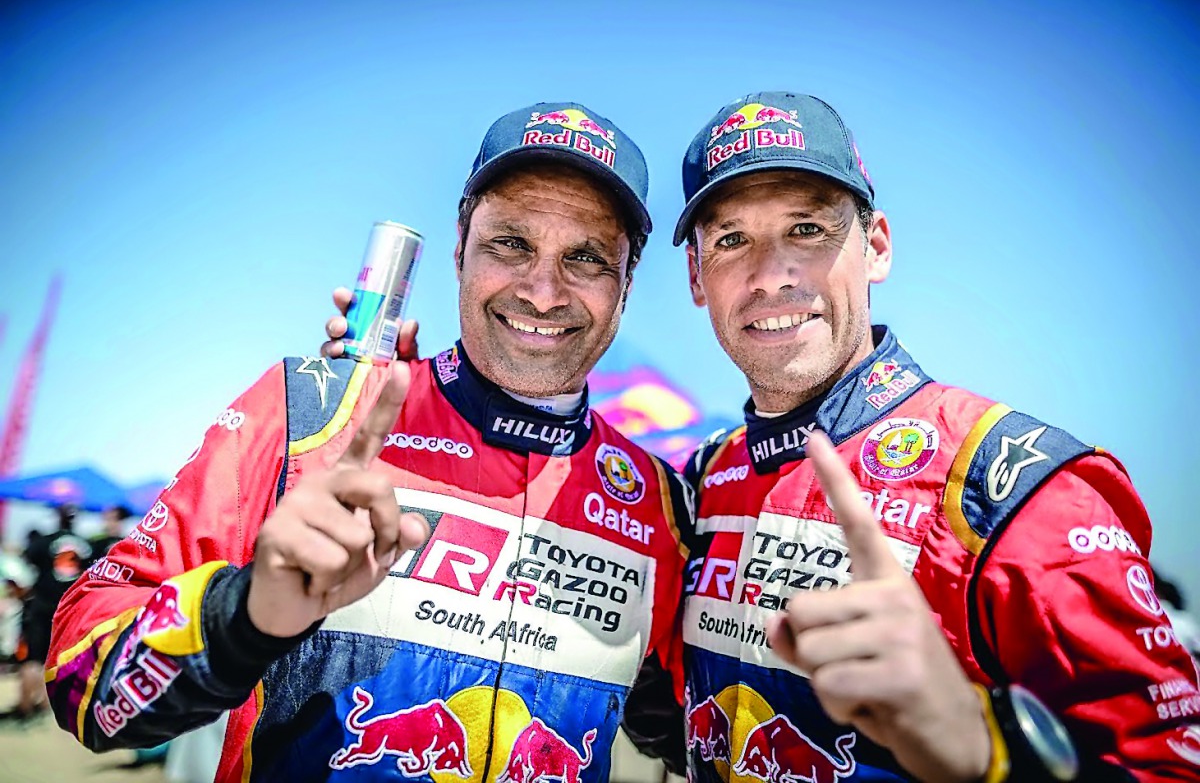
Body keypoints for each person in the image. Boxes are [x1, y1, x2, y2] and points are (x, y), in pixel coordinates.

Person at [45, 102, 692, 782]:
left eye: (586, 257)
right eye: (511, 243)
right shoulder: (312, 410)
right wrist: (246, 615)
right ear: (459, 250)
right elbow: (78, 680)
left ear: (626, 285)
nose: (542, 290)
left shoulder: (658, 502)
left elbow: (694, 731)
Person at [622, 92, 1200, 780]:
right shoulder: (696, 485)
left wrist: (985, 750)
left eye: (807, 228)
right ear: (697, 277)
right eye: (731, 240)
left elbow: (1167, 762)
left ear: (876, 247)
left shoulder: (1013, 485)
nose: (771, 274)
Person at [7, 504, 90, 722]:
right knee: (55, 660)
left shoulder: (44, 542)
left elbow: (23, 566)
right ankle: (45, 707)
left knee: (32, 659)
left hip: (40, 607)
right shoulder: (86, 545)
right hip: (68, 609)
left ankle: (25, 708)